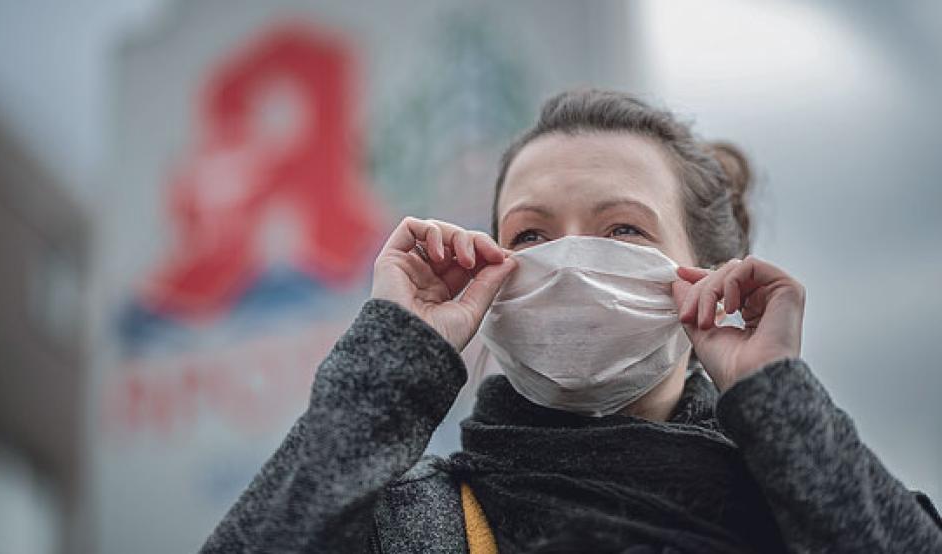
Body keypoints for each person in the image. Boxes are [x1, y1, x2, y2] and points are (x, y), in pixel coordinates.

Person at [200, 90, 942, 553]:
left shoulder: (802, 511)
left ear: (715, 278)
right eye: (528, 236)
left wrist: (778, 398)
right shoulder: (410, 529)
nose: (574, 261)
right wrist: (397, 354)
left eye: (623, 230)